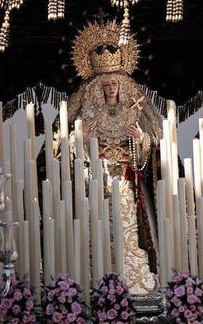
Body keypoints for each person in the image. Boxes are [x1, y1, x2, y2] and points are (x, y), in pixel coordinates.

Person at [65, 20, 161, 294]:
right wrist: (82, 139)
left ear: (122, 87)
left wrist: (140, 139)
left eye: (115, 85)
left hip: (128, 181)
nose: (110, 89)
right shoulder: (89, 114)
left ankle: (135, 277)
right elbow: (65, 144)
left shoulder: (133, 111)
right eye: (105, 85)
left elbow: (149, 150)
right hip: (97, 179)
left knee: (131, 226)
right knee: (98, 227)